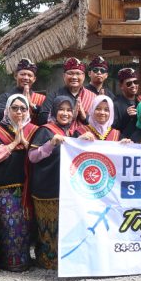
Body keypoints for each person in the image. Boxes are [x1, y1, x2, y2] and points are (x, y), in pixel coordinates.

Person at [28, 95, 90, 270]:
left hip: (68, 191)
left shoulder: (74, 132)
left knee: (66, 226)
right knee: (49, 226)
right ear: (54, 111)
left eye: (69, 110)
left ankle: (65, 260)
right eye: (61, 110)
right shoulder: (45, 131)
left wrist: (86, 141)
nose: (65, 113)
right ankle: (47, 261)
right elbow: (32, 157)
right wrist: (51, 144)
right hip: (46, 189)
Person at [0, 94, 37, 272]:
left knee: (25, 225)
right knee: (8, 225)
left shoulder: (34, 130)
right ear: (7, 110)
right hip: (3, 188)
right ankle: (7, 261)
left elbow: (40, 155)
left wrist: (25, 143)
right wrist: (14, 143)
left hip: (27, 186)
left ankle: (23, 260)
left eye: (23, 108)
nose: (19, 112)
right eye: (14, 108)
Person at [42, 57, 96, 126]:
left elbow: (99, 122)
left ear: (84, 76)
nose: (74, 77)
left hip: (86, 135)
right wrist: (67, 117)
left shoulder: (92, 97)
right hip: (60, 135)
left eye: (78, 74)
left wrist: (84, 118)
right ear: (64, 76)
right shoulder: (54, 95)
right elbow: (42, 119)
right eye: (70, 73)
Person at [0, 59, 47, 125]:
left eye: (29, 75)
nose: (26, 77)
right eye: (23, 74)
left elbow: (46, 119)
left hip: (35, 134)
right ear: (15, 76)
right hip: (10, 134)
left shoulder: (41, 99)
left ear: (34, 79)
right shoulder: (6, 97)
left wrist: (32, 105)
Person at [113, 67, 141, 134]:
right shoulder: (115, 104)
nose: (133, 85)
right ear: (121, 86)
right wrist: (126, 116)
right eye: (129, 83)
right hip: (123, 141)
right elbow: (112, 128)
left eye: (135, 82)